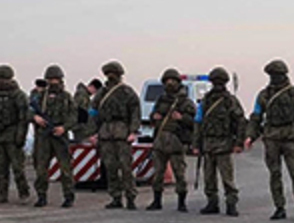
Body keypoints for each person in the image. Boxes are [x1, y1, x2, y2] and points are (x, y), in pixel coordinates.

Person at [246, 59, 294, 221]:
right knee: (275, 174)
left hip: (289, 138)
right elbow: (256, 116)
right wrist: (250, 136)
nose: (275, 78)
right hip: (271, 138)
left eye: (277, 74)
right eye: (272, 75)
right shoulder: (264, 95)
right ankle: (279, 207)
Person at [192, 67, 246, 216]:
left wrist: (239, 143)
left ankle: (231, 203)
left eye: (220, 82)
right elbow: (198, 122)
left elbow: (240, 122)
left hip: (224, 144)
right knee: (209, 177)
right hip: (208, 144)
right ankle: (212, 202)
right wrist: (196, 145)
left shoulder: (230, 101)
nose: (217, 85)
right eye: (215, 82)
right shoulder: (206, 101)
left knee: (227, 178)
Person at [88, 61, 142, 210]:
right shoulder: (101, 93)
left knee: (126, 168)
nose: (110, 76)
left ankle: (130, 197)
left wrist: (133, 131)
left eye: (113, 73)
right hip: (106, 132)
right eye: (108, 74)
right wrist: (93, 132)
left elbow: (135, 113)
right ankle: (115, 197)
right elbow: (93, 113)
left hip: (122, 132)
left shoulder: (127, 92)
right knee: (110, 167)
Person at [148, 68, 196, 212]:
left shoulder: (185, 102)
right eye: (167, 81)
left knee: (179, 173)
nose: (170, 83)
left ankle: (181, 202)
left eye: (172, 81)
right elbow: (153, 116)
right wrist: (154, 117)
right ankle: (157, 200)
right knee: (158, 173)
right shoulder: (161, 100)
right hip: (161, 139)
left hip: (176, 141)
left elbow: (194, 122)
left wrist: (182, 118)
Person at [0, 65, 31, 204]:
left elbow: (23, 119)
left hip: (12, 136)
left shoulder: (19, 96)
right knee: (1, 168)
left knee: (17, 167)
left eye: (1, 79)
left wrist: (20, 136)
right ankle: (2, 194)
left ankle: (24, 193)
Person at [31, 65, 76, 208]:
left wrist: (64, 128)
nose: (53, 82)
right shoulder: (40, 96)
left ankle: (68, 196)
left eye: (55, 79)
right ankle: (41, 196)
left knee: (65, 168)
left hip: (60, 135)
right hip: (43, 136)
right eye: (50, 79)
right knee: (41, 168)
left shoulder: (66, 97)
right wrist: (34, 117)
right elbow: (27, 110)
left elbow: (73, 116)